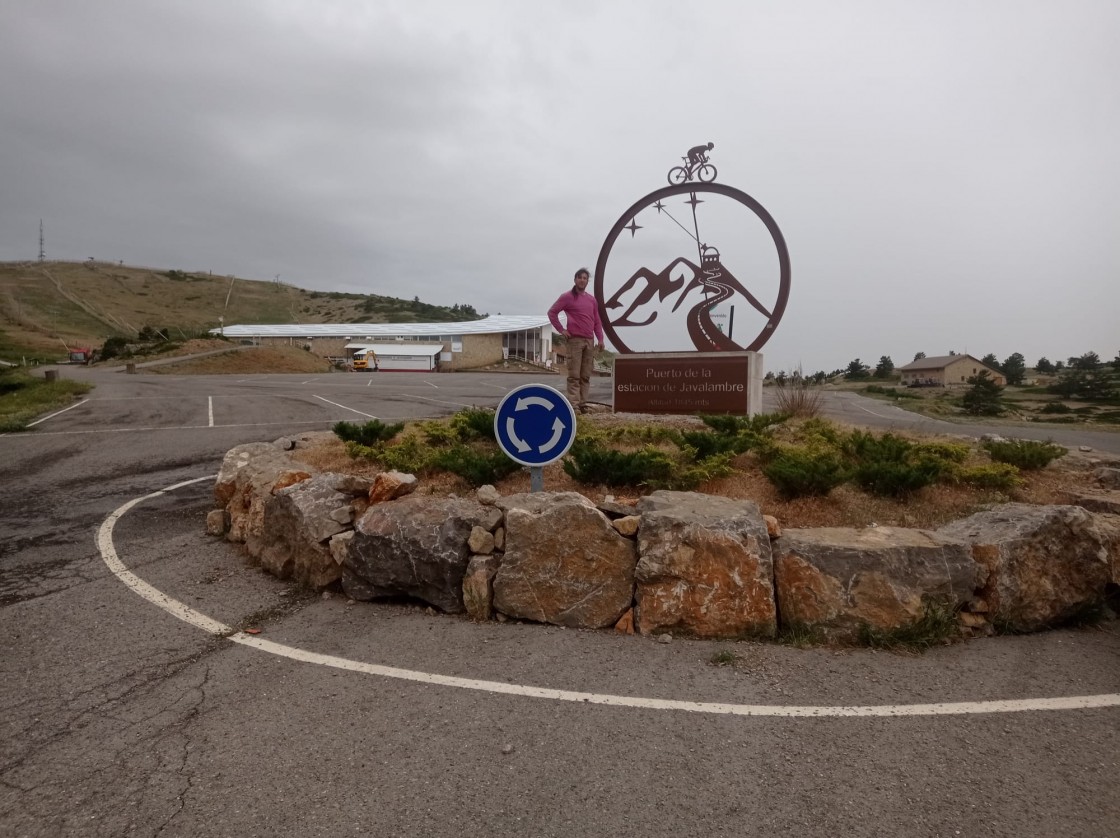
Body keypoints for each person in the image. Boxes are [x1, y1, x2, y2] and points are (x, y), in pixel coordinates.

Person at [547, 267, 605, 413]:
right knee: (574, 375)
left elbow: (597, 321)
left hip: (589, 341)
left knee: (585, 375)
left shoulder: (592, 300)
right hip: (575, 341)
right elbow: (552, 312)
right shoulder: (567, 297)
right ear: (575, 279)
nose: (582, 280)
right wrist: (561, 330)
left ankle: (583, 404)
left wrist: (600, 339)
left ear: (587, 281)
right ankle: (573, 405)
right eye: (579, 277)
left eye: (585, 278)